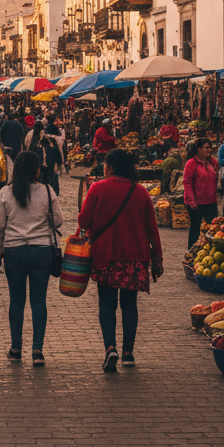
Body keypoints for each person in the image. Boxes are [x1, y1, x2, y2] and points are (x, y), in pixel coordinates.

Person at [78, 148, 163, 371]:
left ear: (111, 167)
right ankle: (128, 354)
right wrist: (158, 258)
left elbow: (84, 221)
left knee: (106, 304)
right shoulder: (141, 192)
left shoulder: (97, 188)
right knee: (129, 305)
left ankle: (110, 348)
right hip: (135, 258)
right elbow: (152, 228)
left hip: (107, 257)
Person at [0, 150, 63, 366]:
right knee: (38, 301)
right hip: (42, 251)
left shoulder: (5, 192)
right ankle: (37, 350)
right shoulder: (47, 191)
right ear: (36, 170)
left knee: (16, 301)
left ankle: (15, 348)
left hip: (14, 251)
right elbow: (58, 221)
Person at [182, 138, 219, 248]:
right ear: (199, 149)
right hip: (195, 202)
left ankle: (210, 250)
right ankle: (191, 252)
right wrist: (192, 201)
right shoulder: (191, 163)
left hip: (210, 201)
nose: (209, 150)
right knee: (195, 227)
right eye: (206, 147)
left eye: (210, 147)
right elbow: (187, 182)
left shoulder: (213, 162)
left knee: (213, 227)